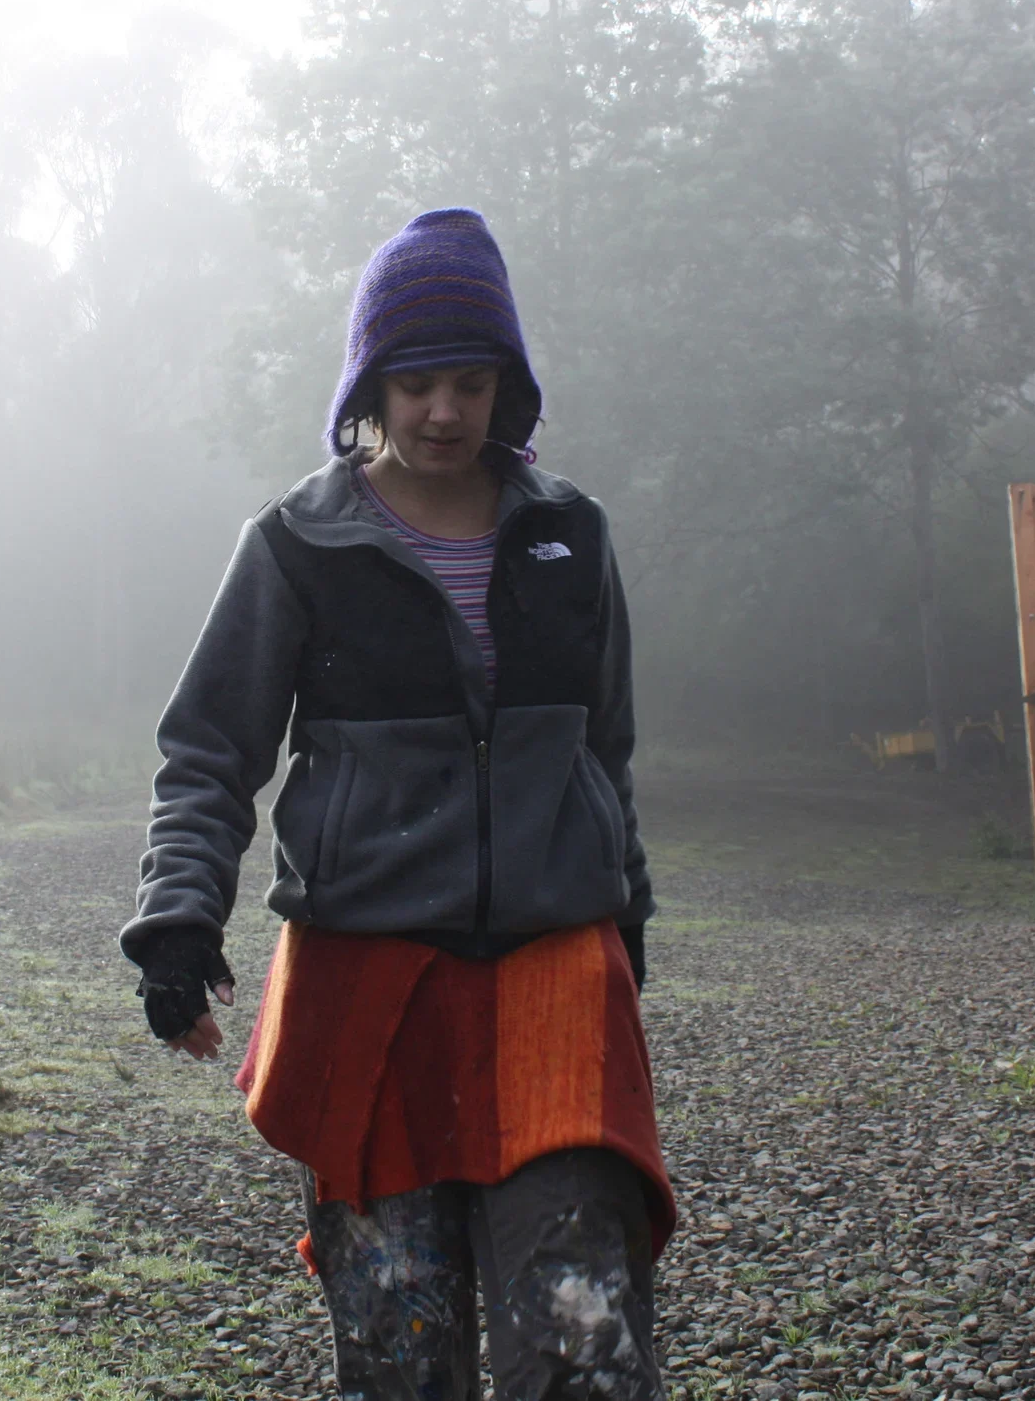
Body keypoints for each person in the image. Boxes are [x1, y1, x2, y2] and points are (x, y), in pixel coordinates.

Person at [122, 207, 673, 1400]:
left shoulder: (572, 538)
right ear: (370, 384)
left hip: (556, 983)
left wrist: (624, 904)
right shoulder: (294, 547)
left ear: (506, 389)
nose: (441, 411)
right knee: (401, 1355)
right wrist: (177, 920)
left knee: (586, 1345)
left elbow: (605, 747)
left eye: (469, 382)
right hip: (365, 988)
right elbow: (210, 751)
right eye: (415, 382)